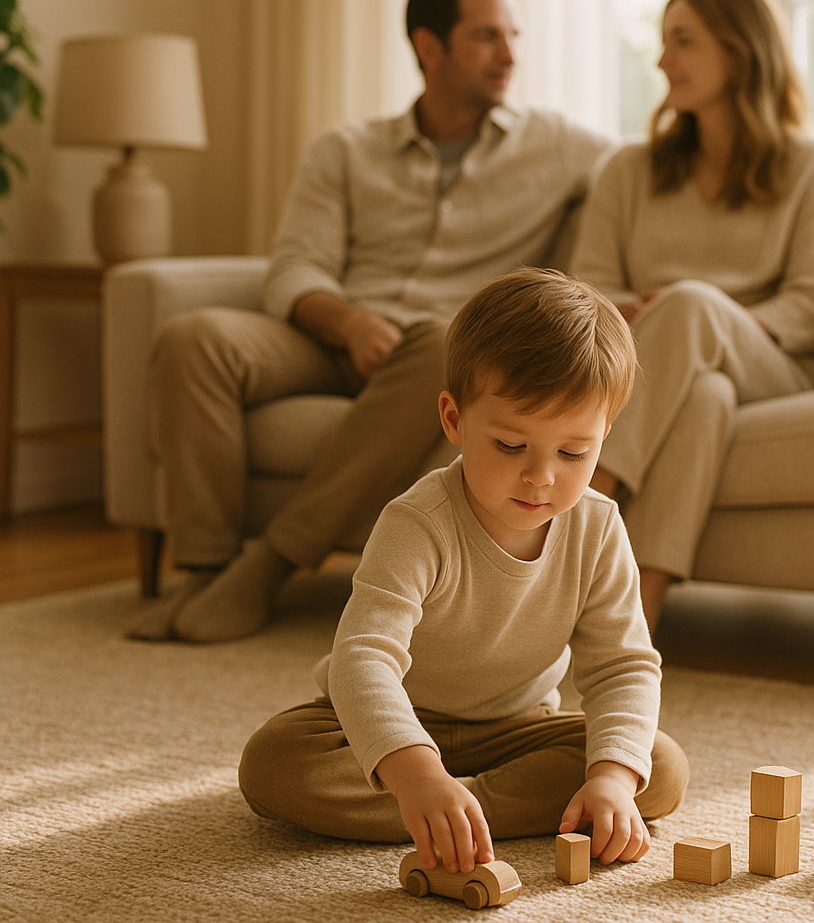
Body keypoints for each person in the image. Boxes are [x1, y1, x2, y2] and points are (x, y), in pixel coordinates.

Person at [130, 0, 610, 643]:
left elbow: (645, 184)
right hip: (333, 337)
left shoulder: (561, 146)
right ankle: (205, 571)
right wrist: (351, 324)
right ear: (428, 47)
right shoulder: (346, 150)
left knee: (441, 337)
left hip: (436, 350)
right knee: (194, 338)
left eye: (512, 36)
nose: (509, 55)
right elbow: (294, 268)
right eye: (486, 36)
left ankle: (269, 565)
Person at [236, 268, 688, 871]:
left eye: (574, 453)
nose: (541, 476)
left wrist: (610, 779)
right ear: (453, 420)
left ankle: (462, 811)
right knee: (275, 765)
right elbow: (363, 659)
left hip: (517, 727)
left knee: (655, 767)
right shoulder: (417, 521)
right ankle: (442, 801)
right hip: (400, 715)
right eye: (510, 445)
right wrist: (416, 772)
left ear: (605, 435)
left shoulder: (599, 526)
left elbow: (623, 666)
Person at [573, 0, 814, 631]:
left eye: (683, 41)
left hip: (775, 368)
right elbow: (585, 289)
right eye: (663, 41)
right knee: (706, 399)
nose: (663, 60)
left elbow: (812, 308)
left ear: (741, 52)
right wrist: (655, 315)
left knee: (694, 306)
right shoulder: (628, 170)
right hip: (661, 364)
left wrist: (700, 316)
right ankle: (627, 623)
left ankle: (578, 510)